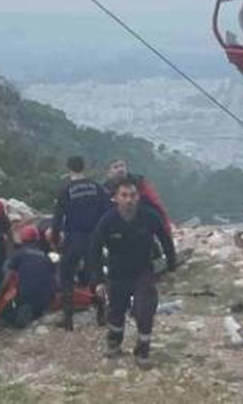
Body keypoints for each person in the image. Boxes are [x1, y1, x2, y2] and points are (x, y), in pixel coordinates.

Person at [89, 176, 177, 368]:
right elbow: (94, 250)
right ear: (116, 198)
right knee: (116, 311)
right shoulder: (108, 220)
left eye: (133, 195)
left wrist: (171, 266)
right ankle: (114, 342)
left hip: (143, 272)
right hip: (117, 273)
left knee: (145, 309)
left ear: (139, 196)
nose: (129, 199)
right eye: (124, 195)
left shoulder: (149, 216)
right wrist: (98, 280)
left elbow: (165, 239)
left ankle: (143, 351)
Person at [52, 156, 109, 331]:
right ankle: (101, 314)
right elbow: (106, 211)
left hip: (73, 238)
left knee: (67, 276)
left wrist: (56, 241)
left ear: (69, 168)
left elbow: (58, 219)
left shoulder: (66, 190)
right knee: (96, 275)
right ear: (84, 168)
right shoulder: (96, 187)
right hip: (94, 237)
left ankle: (68, 319)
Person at [0, 225, 57, 329]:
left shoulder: (19, 254)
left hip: (26, 296)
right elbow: (54, 279)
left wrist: (0, 292)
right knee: (36, 308)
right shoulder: (45, 256)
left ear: (22, 239)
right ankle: (35, 313)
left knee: (5, 313)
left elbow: (8, 277)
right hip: (46, 299)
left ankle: (20, 314)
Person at [105, 159, 173, 235]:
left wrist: (166, 227)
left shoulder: (139, 182)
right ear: (108, 172)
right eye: (116, 167)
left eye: (122, 166)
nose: (120, 169)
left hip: (143, 223)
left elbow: (156, 203)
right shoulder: (105, 190)